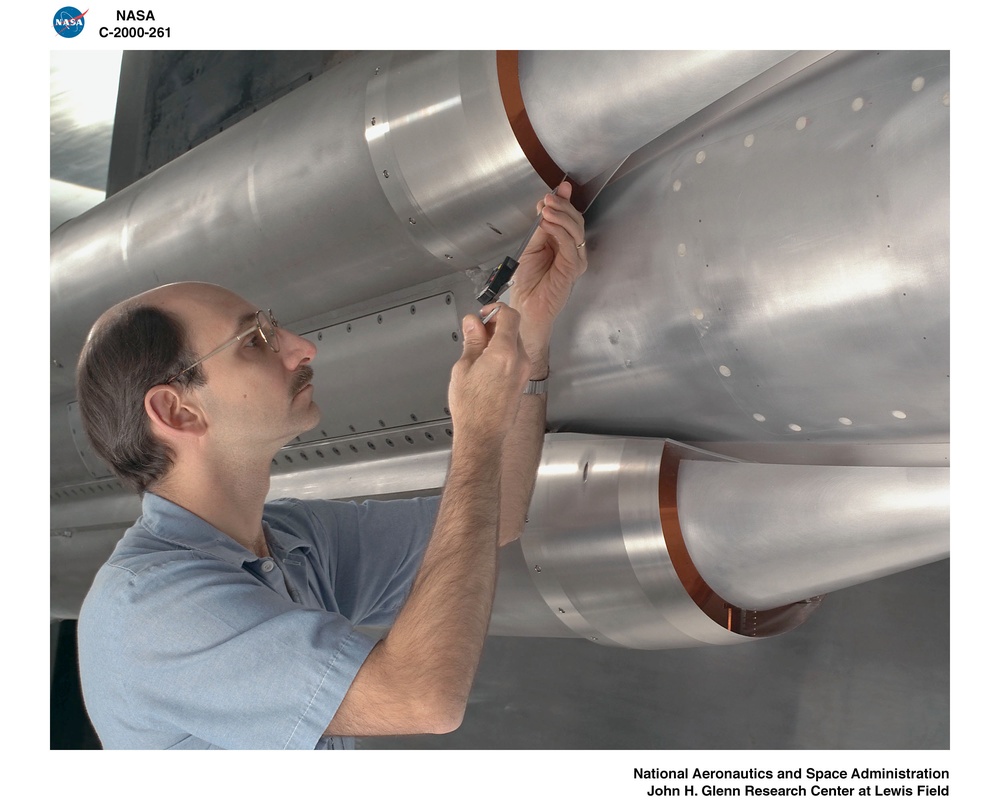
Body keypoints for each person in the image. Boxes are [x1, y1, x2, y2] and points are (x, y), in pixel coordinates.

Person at [75, 181, 588, 749]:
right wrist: (477, 428)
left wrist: (529, 346)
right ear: (177, 409)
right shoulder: (151, 611)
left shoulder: (293, 540)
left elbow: (501, 512)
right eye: (255, 340)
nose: (300, 347)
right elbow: (424, 697)